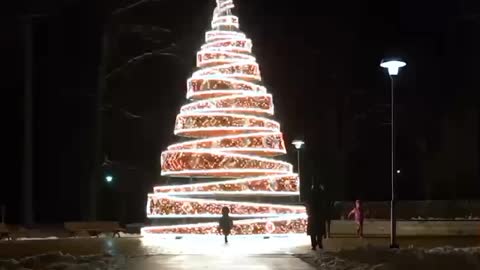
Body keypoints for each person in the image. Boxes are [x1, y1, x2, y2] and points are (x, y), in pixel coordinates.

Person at [306, 182, 327, 250]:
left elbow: (308, 203)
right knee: (319, 230)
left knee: (313, 231)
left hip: (312, 214)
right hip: (319, 214)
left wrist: (308, 212)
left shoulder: (310, 193)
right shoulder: (322, 193)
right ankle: (319, 243)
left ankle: (314, 245)